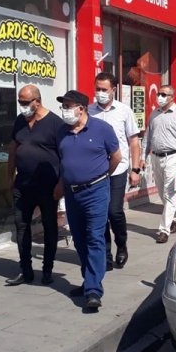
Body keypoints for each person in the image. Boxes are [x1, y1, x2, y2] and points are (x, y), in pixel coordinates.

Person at [54, 90, 121, 311]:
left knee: (94, 238)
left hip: (96, 192)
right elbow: (63, 162)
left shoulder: (102, 129)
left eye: (68, 106)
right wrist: (60, 186)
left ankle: (93, 290)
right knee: (80, 239)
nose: (65, 110)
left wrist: (101, 177)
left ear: (81, 108)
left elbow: (116, 157)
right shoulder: (61, 132)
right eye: (63, 105)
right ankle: (88, 280)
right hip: (72, 193)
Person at [5, 84, 62, 286]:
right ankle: (25, 270)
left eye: (25, 102)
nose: (22, 106)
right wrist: (9, 177)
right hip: (23, 184)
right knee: (21, 226)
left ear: (37, 101)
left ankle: (47, 270)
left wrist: (61, 185)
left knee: (49, 227)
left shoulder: (55, 123)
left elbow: (65, 156)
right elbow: (13, 149)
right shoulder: (20, 121)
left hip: (48, 186)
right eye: (20, 102)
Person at [88, 72, 140, 270]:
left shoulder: (124, 111)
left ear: (113, 90)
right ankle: (105, 254)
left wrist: (135, 169)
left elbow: (133, 141)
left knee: (114, 211)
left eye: (104, 90)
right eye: (97, 89)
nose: (100, 93)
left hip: (118, 169)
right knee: (100, 213)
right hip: (96, 171)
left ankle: (122, 244)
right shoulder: (89, 111)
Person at [140, 85, 176, 244]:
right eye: (159, 94)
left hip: (173, 158)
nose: (160, 97)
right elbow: (147, 137)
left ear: (172, 97)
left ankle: (164, 229)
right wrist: (143, 156)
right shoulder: (154, 114)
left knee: (170, 194)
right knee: (163, 194)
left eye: (164, 94)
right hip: (156, 157)